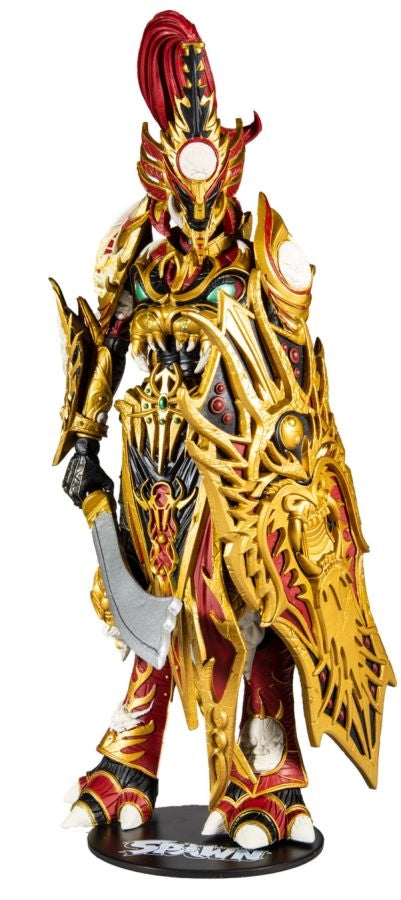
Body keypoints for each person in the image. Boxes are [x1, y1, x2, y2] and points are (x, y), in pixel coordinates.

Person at [55, 10, 394, 850]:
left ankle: (266, 773)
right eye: (182, 192)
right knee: (151, 613)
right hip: (151, 466)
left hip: (240, 476)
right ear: (159, 176)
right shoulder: (135, 253)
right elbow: (103, 343)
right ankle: (131, 756)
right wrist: (85, 444)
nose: (199, 213)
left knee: (253, 612)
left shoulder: (262, 257)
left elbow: (295, 381)